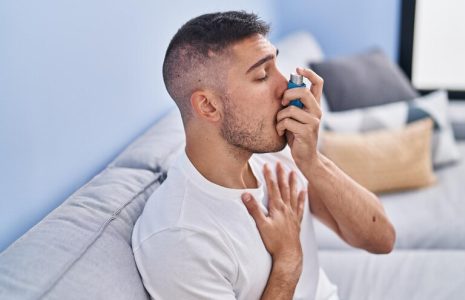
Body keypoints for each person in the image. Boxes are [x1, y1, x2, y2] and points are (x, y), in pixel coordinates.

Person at [132, 11, 395, 300]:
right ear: (207, 106)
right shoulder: (179, 238)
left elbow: (381, 239)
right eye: (262, 75)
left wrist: (312, 162)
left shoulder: (275, 159)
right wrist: (288, 261)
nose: (285, 87)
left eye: (277, 66)